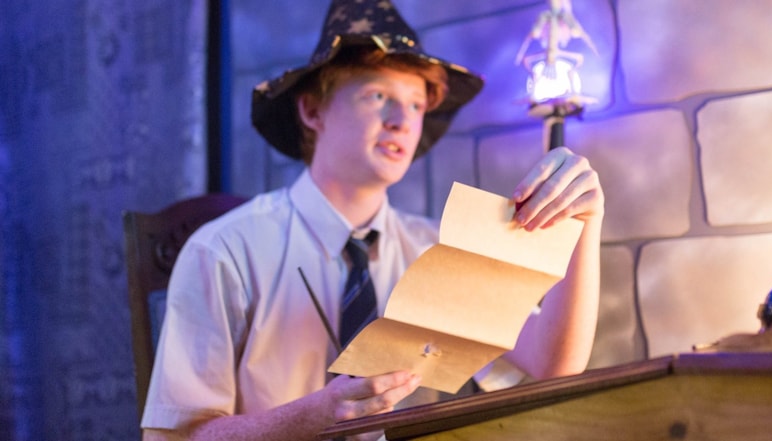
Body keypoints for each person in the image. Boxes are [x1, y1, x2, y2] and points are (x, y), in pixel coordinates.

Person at [141, 1, 604, 440]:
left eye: (416, 104)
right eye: (377, 95)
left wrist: (584, 225)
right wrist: (316, 416)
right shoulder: (225, 250)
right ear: (313, 109)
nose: (402, 120)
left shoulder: (438, 250)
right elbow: (174, 436)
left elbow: (553, 365)